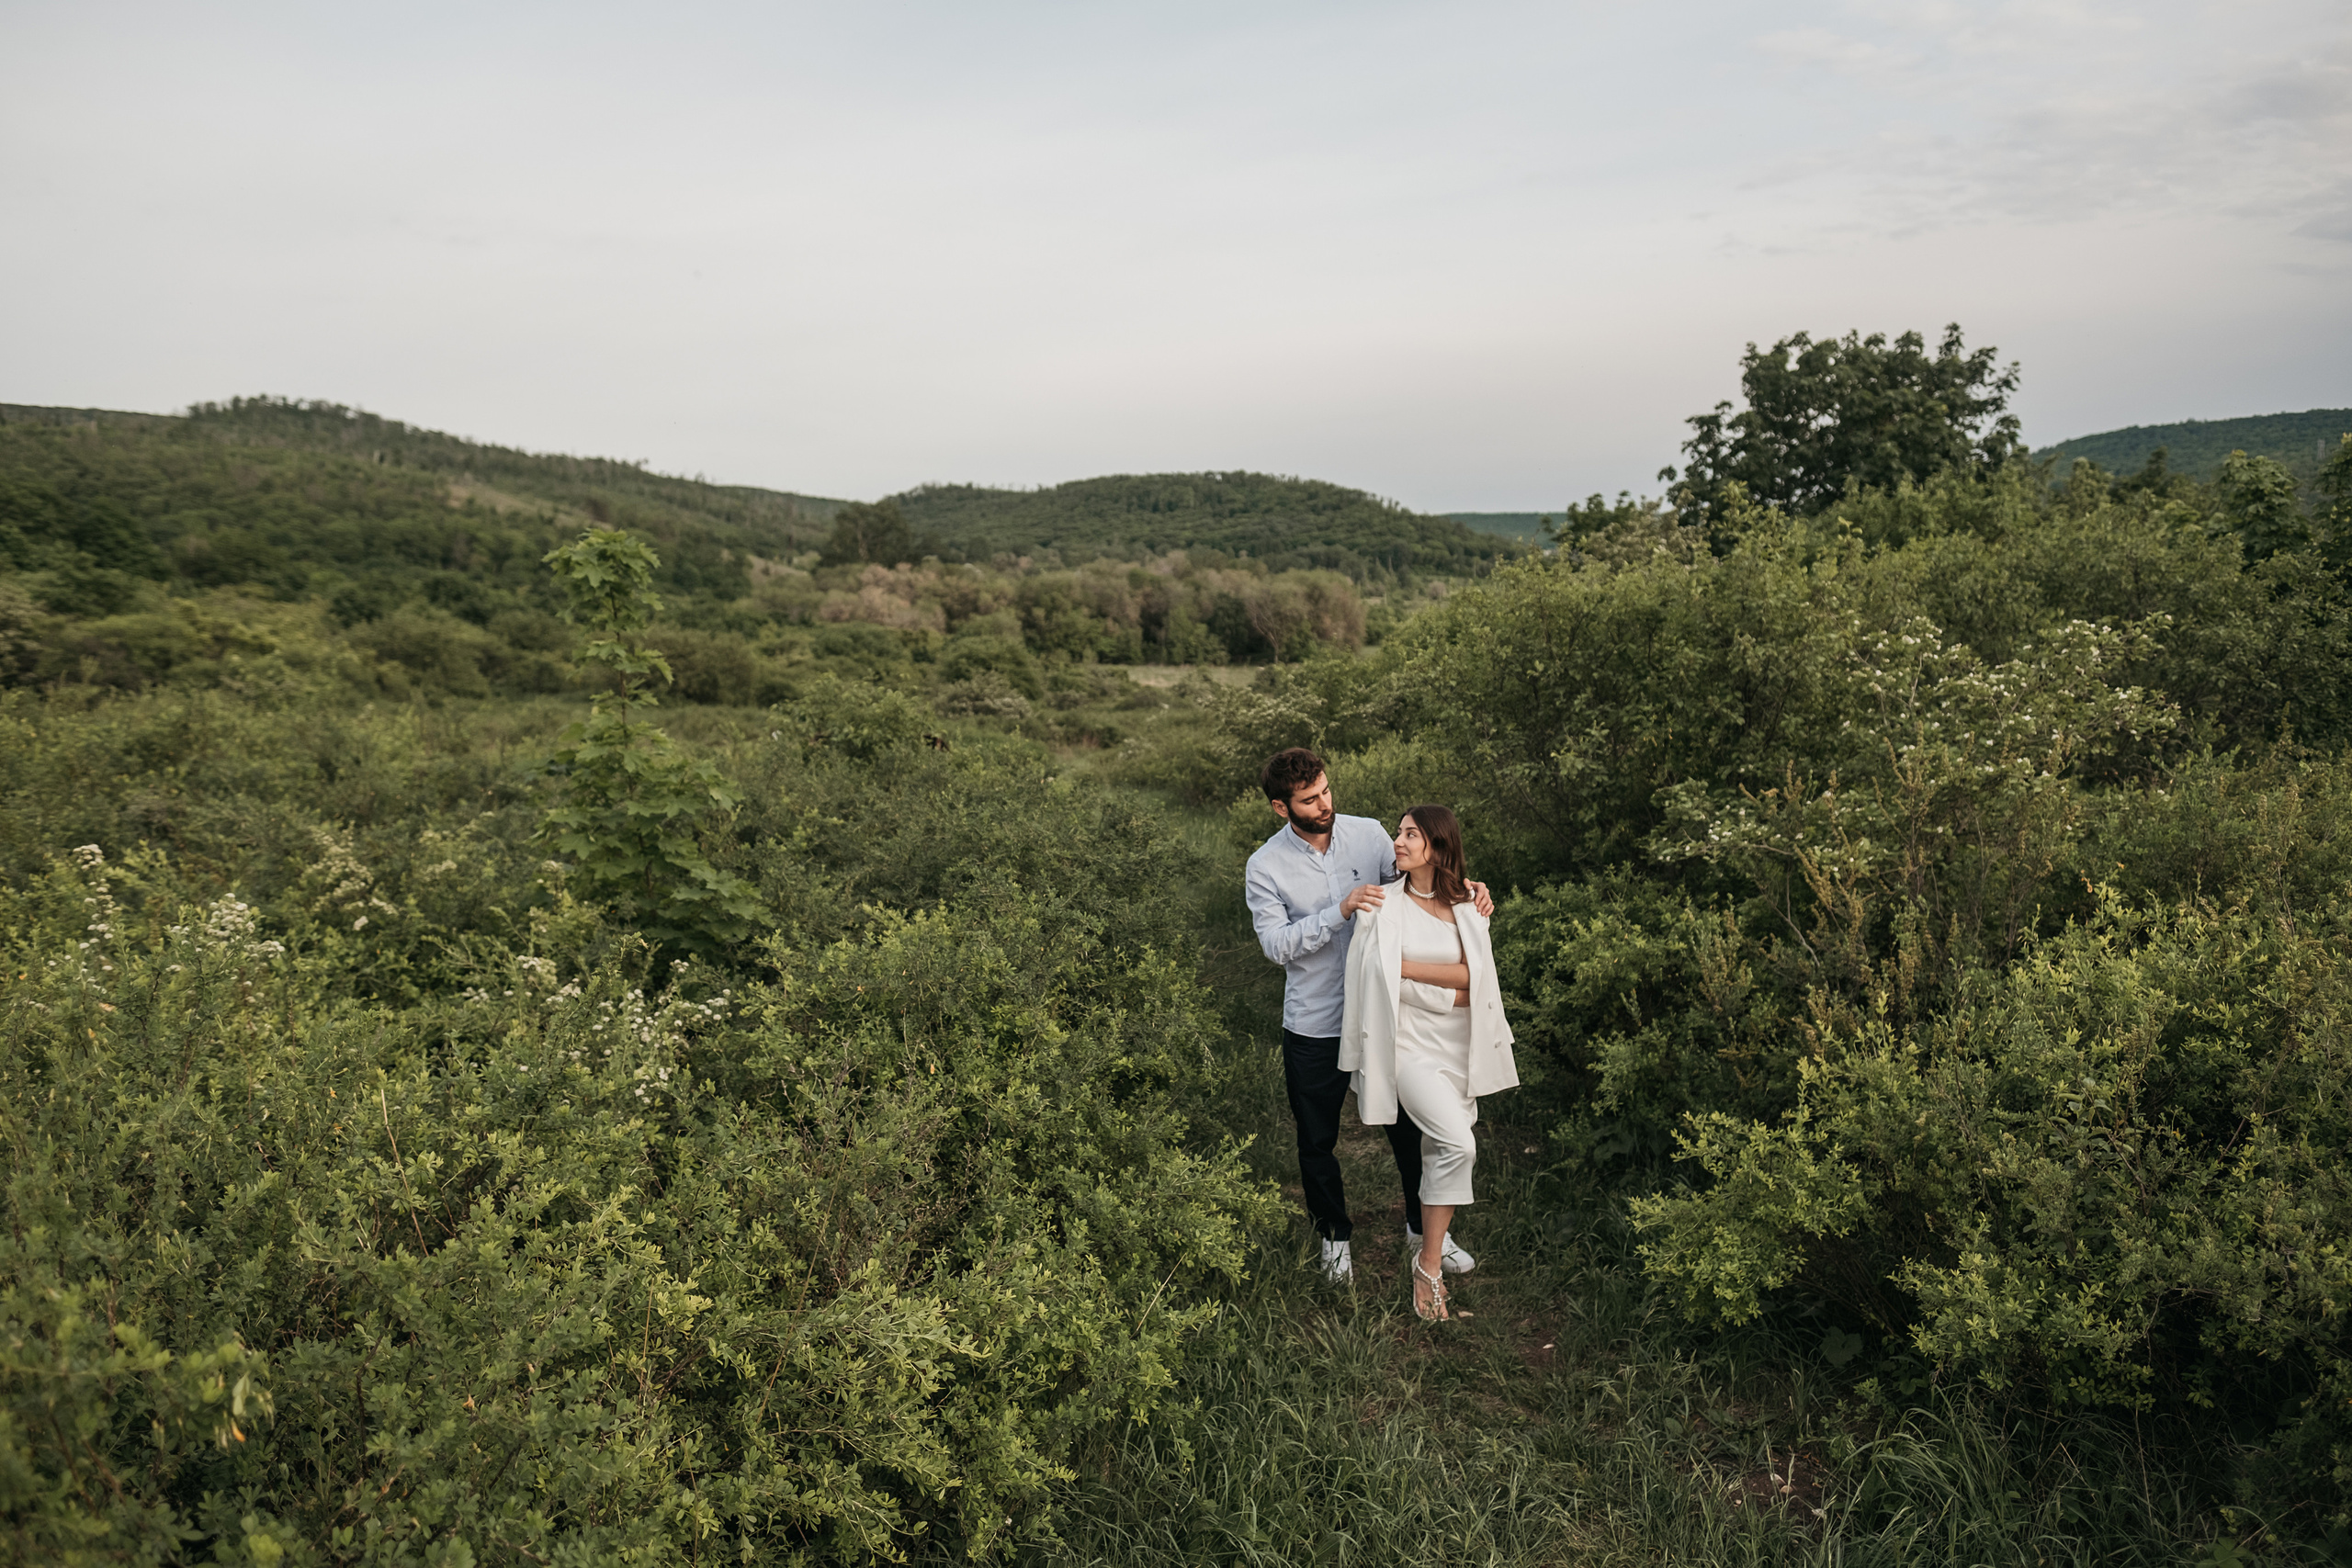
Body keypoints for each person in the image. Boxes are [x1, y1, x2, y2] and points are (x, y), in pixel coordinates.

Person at [1244, 748, 1491, 1284]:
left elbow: (1416, 887)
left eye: (1326, 791)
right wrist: (1340, 911)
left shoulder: (1368, 834)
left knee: (1409, 1131)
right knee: (1317, 1138)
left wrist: (1467, 889)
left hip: (1385, 1013)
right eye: (1310, 800)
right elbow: (1275, 946)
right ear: (1281, 808)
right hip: (1316, 1020)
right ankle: (1334, 1238)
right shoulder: (1264, 866)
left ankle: (1422, 1230)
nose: (1324, 804)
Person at [1340, 804, 1518, 1321]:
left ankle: (1428, 1257)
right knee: (1459, 1142)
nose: (1398, 841)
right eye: (1399, 833)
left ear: (1437, 846)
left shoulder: (1470, 904)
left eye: (1410, 834)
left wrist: (1407, 969)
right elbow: (1378, 985)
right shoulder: (1381, 906)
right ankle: (1431, 1266)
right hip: (1406, 1047)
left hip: (1459, 1046)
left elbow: (1479, 980)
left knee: (1447, 1147)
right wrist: (1452, 987)